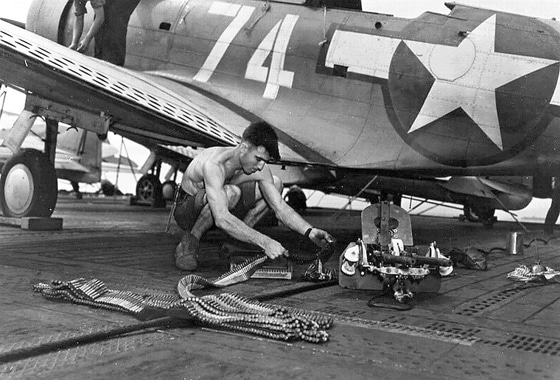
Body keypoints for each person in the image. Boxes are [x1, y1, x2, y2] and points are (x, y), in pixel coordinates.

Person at [173, 121, 335, 271]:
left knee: (276, 183)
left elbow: (280, 207)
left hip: (219, 208)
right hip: (188, 213)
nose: (260, 166)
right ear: (243, 148)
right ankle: (189, 242)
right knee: (231, 193)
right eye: (258, 159)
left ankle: (235, 242)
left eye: (264, 161)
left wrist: (309, 231)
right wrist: (265, 242)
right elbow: (221, 218)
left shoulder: (258, 167)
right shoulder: (214, 164)